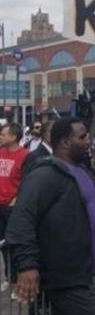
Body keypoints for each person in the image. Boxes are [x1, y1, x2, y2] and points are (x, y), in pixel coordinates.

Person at [6, 117, 95, 315]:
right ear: (65, 142)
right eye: (82, 136)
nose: (89, 141)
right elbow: (21, 220)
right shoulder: (45, 174)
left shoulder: (81, 171)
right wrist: (27, 266)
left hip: (87, 269)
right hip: (66, 273)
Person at [0, 122, 29, 288]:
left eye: (3, 134)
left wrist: (16, 199)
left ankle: (22, 278)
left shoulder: (26, 155)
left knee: (16, 244)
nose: (0, 137)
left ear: (13, 136)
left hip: (14, 208)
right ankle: (9, 277)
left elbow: (28, 181)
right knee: (3, 244)